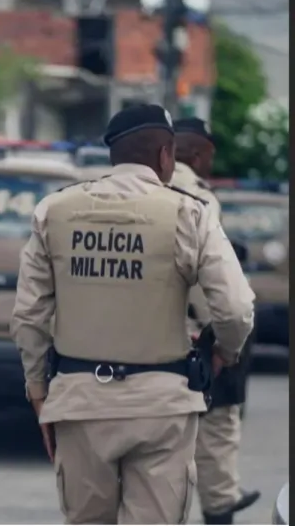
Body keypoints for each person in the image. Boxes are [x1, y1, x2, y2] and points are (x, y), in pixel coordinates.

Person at [11, 104, 256, 524]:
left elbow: (29, 316)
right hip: (161, 407)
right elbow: (235, 308)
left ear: (114, 155)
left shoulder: (54, 212)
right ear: (166, 155)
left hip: (79, 401)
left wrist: (38, 391)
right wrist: (225, 353)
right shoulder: (190, 212)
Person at [172, 117, 261, 524]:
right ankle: (220, 505)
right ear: (195, 154)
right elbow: (208, 281)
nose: (210, 165)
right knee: (218, 419)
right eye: (209, 157)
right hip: (195, 329)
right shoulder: (197, 195)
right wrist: (226, 339)